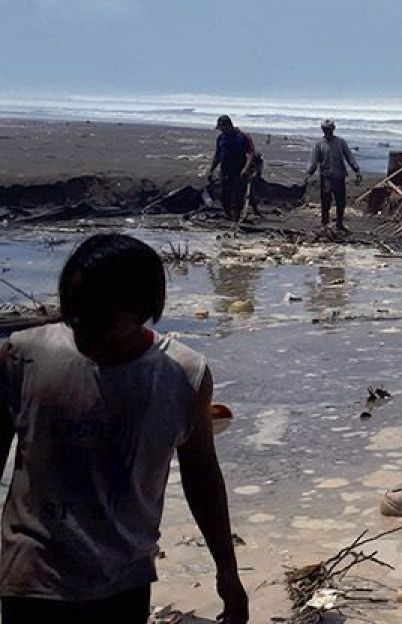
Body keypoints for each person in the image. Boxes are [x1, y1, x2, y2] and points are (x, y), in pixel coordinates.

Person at [0, 234, 249, 624]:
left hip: (123, 579)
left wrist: (227, 570)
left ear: (143, 306)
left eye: (99, 313)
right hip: (33, 575)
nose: (83, 324)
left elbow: (201, 475)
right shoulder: (25, 356)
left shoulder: (181, 375)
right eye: (75, 310)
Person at [306, 119, 362, 233]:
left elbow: (349, 156)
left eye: (329, 129)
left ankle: (339, 223)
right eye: (325, 130)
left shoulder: (340, 142)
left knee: (340, 201)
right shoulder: (319, 144)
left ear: (333, 129)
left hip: (339, 175)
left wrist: (356, 170)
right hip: (326, 176)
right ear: (323, 130)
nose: (327, 132)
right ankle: (325, 223)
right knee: (325, 200)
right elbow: (314, 161)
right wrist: (309, 173)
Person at [206, 115, 255, 222]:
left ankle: (236, 218)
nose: (222, 131)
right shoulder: (221, 138)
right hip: (225, 170)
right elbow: (217, 155)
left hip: (239, 170)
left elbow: (251, 152)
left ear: (229, 125)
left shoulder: (243, 136)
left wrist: (246, 168)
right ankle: (229, 217)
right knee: (224, 196)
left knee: (238, 196)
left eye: (223, 128)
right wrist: (211, 170)